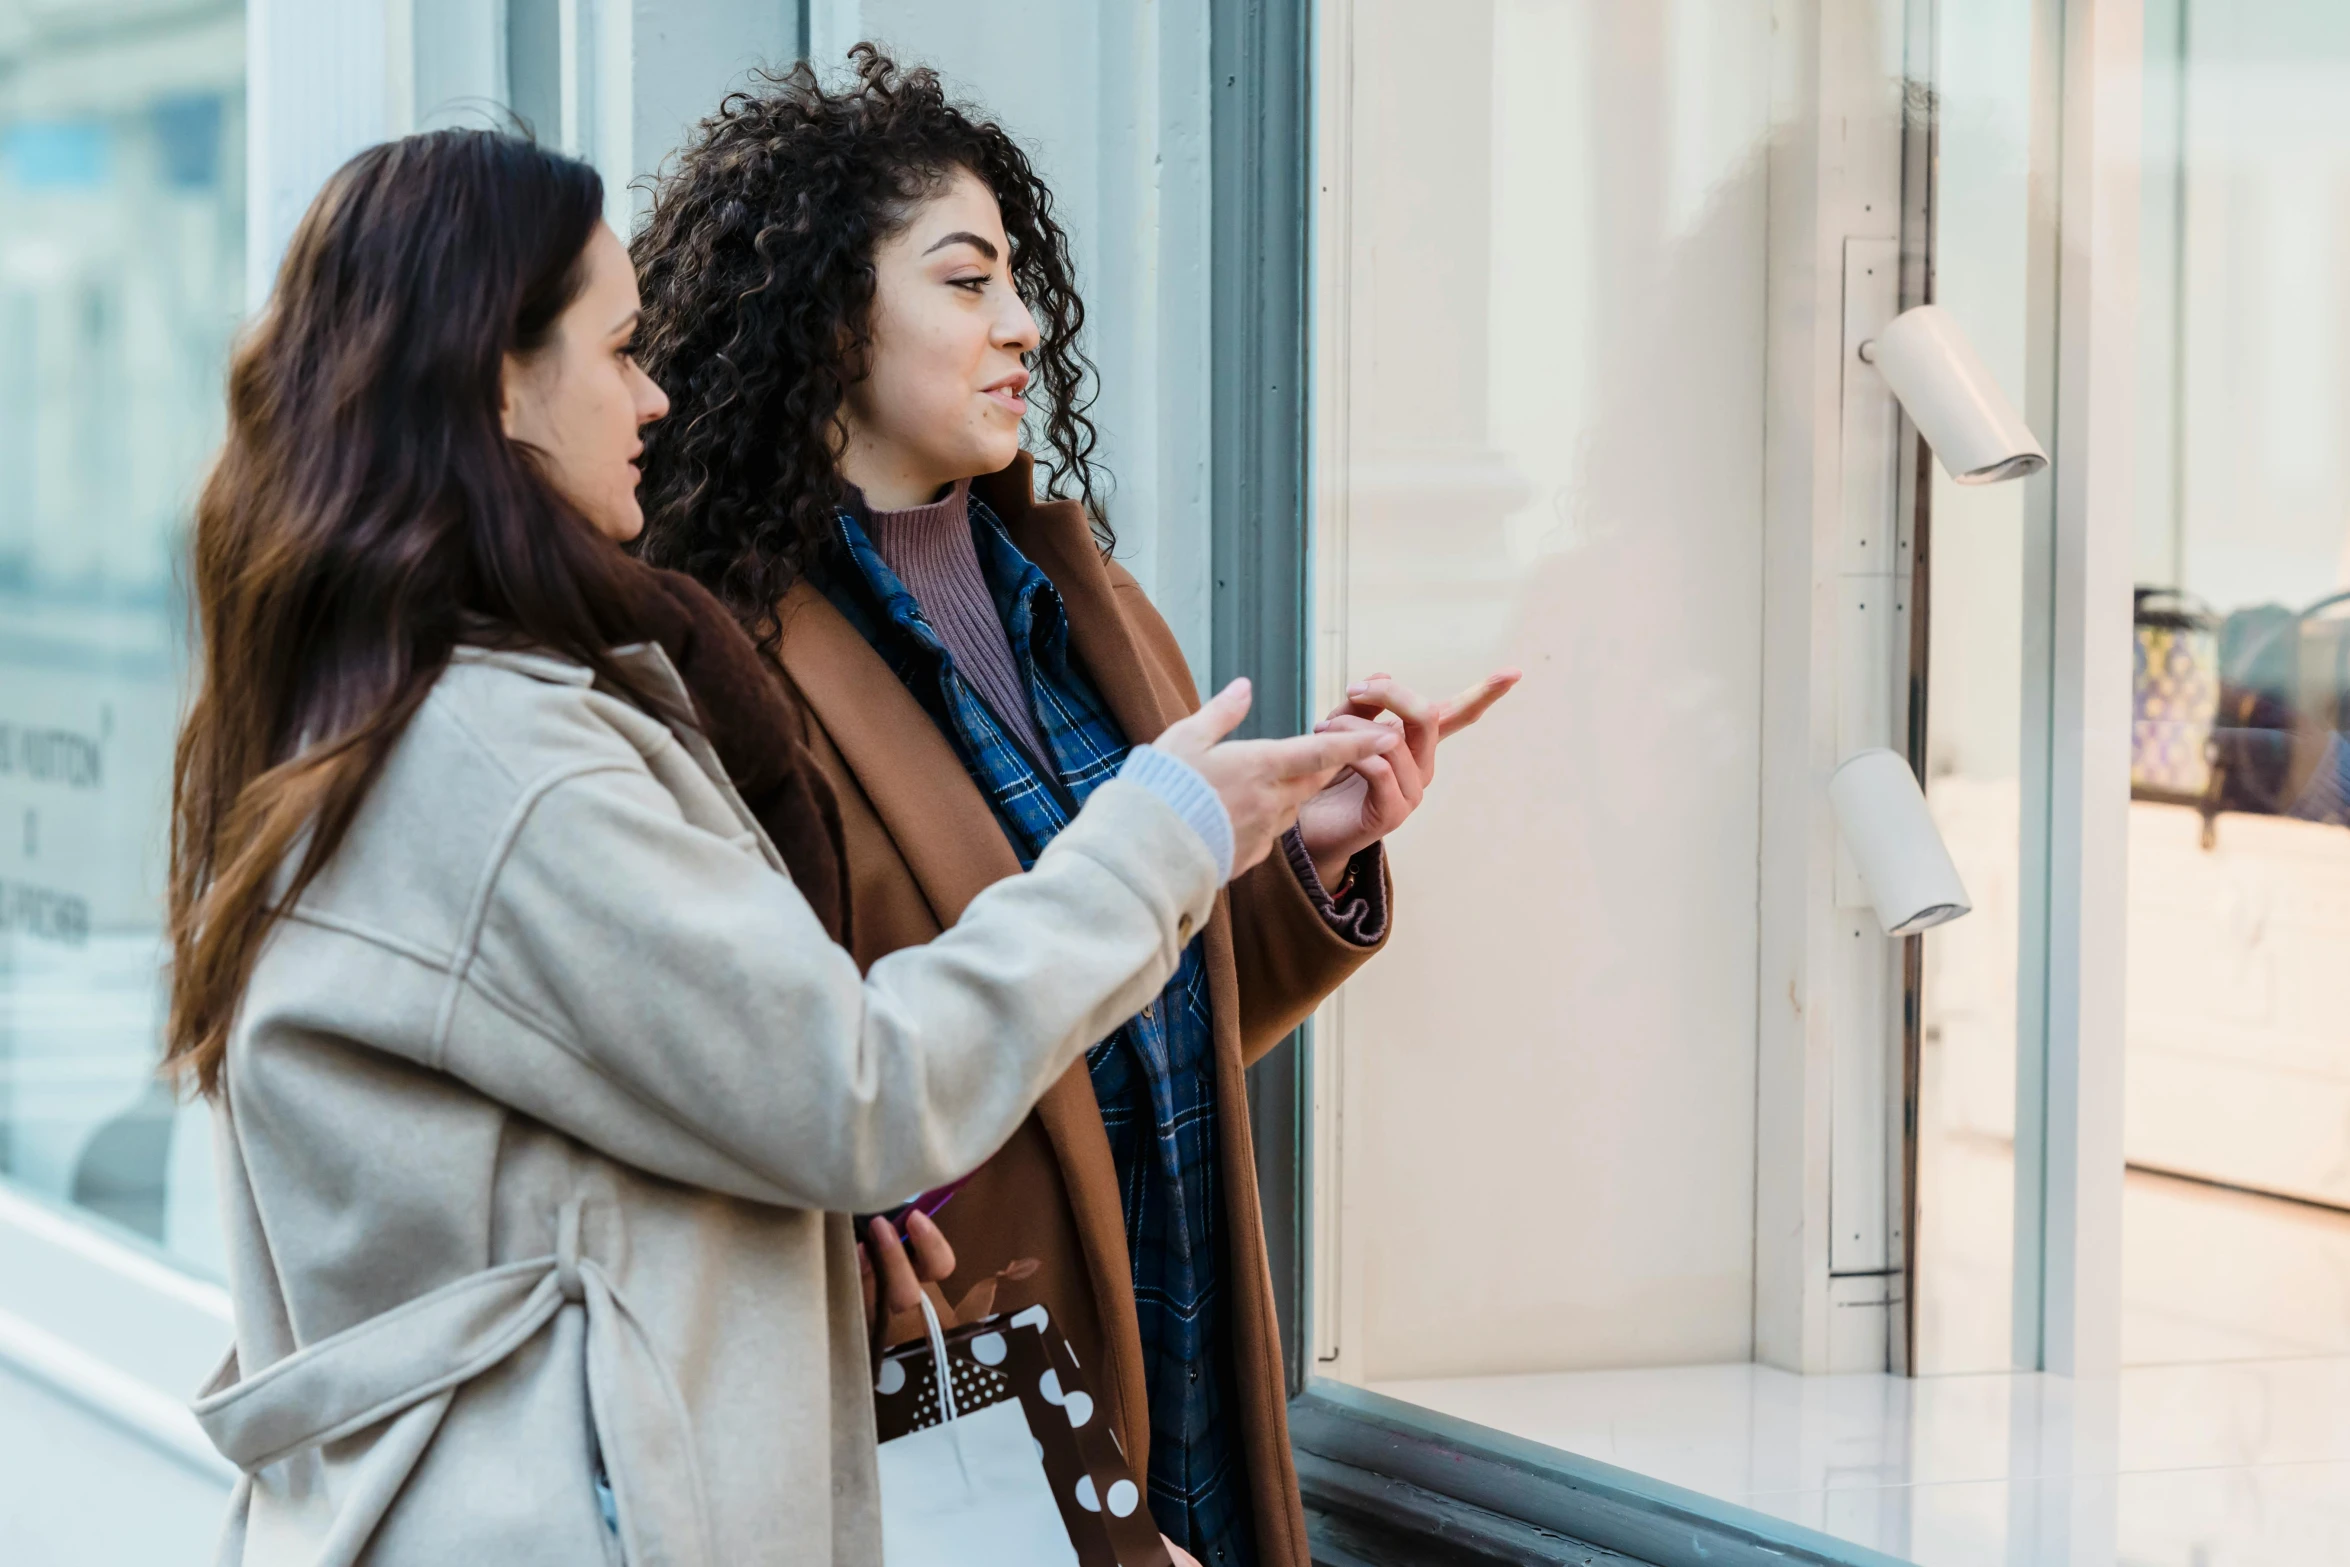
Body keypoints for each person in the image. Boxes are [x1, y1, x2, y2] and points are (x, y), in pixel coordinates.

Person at [165, 128, 1396, 1564]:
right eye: (620, 351)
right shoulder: (507, 760)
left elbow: (666, 1116)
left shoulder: (413, 707)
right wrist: (1163, 833)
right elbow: (857, 1089)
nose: (656, 391)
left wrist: (1280, 866)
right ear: (501, 375)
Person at [631, 50, 1518, 1567]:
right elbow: (801, 1086)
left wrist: (1306, 857)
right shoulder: (726, 663)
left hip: (1185, 1368)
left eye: (1015, 280)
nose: (1021, 323)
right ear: (827, 321)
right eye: (966, 282)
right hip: (963, 1412)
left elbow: (1112, 1013)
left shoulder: (1084, 599)